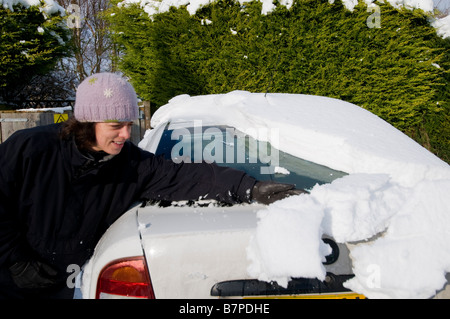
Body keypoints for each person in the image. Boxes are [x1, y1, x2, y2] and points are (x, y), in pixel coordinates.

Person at [0, 73, 305, 299]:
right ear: (86, 123)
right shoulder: (30, 150)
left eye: (129, 124)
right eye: (115, 126)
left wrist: (251, 188)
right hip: (9, 280)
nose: (125, 134)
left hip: (66, 287)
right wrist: (16, 260)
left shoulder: (132, 164)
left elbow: (187, 177)